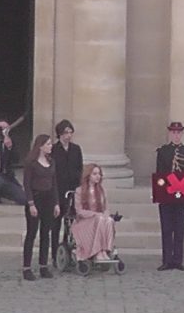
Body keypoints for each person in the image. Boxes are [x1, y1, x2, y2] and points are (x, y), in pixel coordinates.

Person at [156, 121, 184, 271]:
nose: (176, 135)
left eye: (179, 132)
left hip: (182, 195)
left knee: (179, 229)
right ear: (169, 134)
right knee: (167, 229)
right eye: (173, 132)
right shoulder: (163, 151)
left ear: (182, 134)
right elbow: (160, 174)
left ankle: (177, 260)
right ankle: (167, 260)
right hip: (167, 195)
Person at [21, 134, 59, 281]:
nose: (50, 146)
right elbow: (27, 184)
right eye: (48, 144)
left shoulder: (51, 162)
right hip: (36, 198)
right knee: (32, 233)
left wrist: (56, 203)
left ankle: (43, 265)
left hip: (48, 199)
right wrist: (31, 203)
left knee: (46, 233)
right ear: (41, 146)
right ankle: (27, 267)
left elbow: (54, 183)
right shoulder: (31, 163)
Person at [50, 119, 82, 267]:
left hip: (73, 189)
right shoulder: (54, 150)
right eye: (65, 133)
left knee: (70, 223)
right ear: (59, 134)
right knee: (56, 223)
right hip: (58, 190)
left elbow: (79, 168)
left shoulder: (76, 149)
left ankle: (68, 251)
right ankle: (55, 254)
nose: (68, 136)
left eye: (70, 132)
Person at [72, 164, 118, 263]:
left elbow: (106, 208)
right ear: (88, 175)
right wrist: (95, 214)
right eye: (95, 174)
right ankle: (97, 251)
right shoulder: (79, 191)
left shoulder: (102, 191)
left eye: (99, 174)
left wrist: (106, 214)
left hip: (99, 219)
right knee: (100, 219)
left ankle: (105, 250)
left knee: (109, 220)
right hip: (85, 221)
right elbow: (79, 211)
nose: (98, 176)